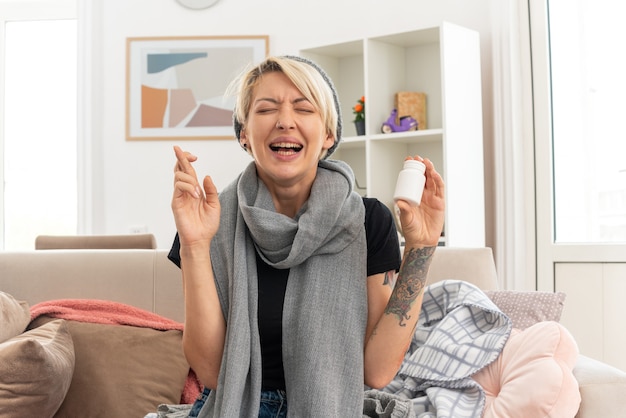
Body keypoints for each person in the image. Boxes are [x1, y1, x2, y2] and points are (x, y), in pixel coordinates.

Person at [169, 55, 445, 418]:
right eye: (266, 109)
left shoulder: (368, 221)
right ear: (244, 135)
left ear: (329, 134)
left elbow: (377, 371)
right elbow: (211, 371)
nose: (285, 121)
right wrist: (194, 243)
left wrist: (421, 248)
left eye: (304, 108)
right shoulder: (209, 220)